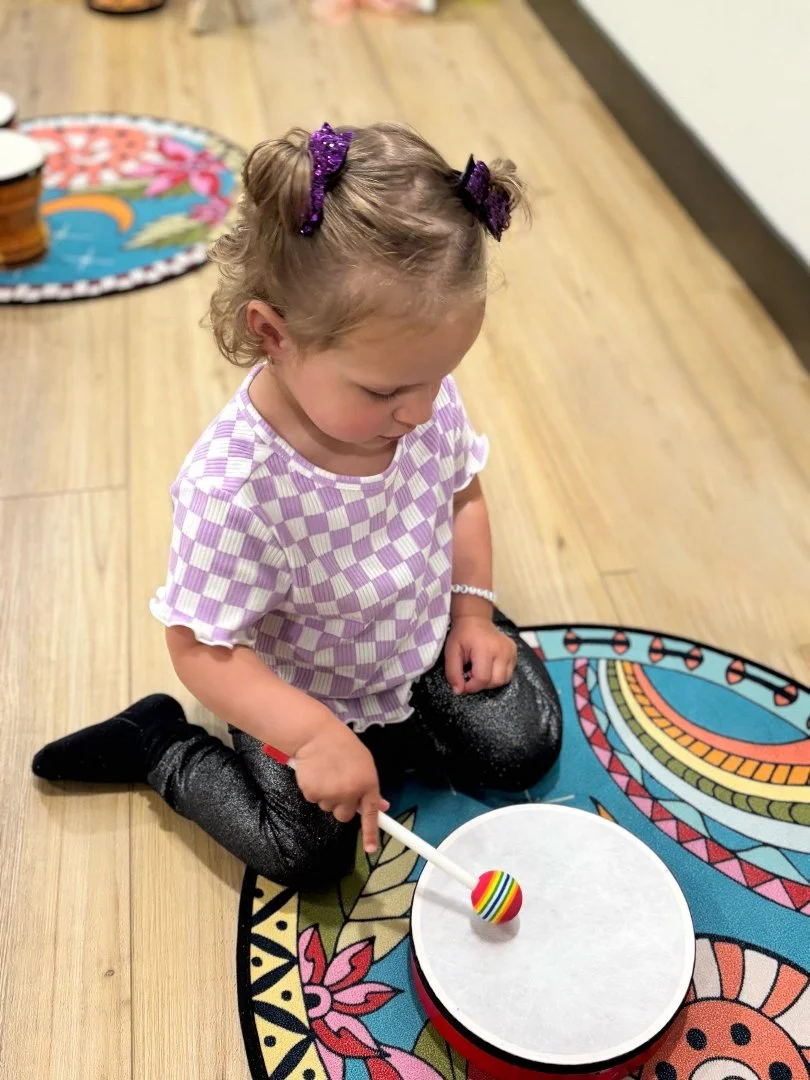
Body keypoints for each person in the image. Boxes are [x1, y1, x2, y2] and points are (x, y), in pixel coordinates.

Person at [32, 122, 562, 888]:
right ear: (273, 334)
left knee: (523, 748)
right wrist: (312, 735)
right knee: (305, 853)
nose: (420, 410)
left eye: (439, 376)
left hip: (416, 641)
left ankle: (401, 730)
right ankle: (160, 749)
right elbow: (202, 650)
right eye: (384, 391)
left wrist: (473, 612)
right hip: (300, 689)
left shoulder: (419, 393)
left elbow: (462, 494)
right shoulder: (232, 488)